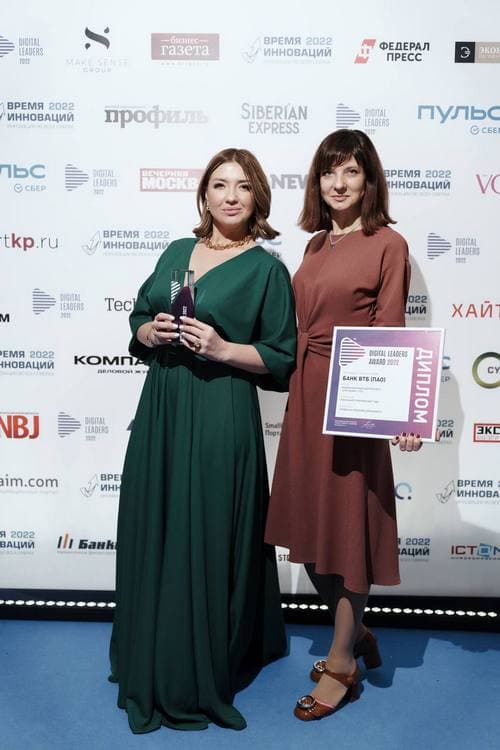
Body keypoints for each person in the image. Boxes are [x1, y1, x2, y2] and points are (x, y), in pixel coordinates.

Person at [109, 148, 296, 733]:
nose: (231, 196)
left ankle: (201, 665)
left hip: (221, 410)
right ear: (205, 195)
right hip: (163, 403)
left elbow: (281, 357)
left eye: (243, 186)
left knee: (209, 530)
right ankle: (151, 649)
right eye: (220, 185)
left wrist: (222, 348)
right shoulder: (174, 251)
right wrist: (151, 329)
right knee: (158, 521)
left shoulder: (266, 270)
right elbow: (138, 318)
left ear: (258, 197)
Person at [265, 129, 422, 721]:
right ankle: (356, 632)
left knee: (348, 530)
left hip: (355, 396)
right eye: (329, 172)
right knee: (309, 528)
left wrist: (399, 410)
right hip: (306, 393)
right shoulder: (313, 245)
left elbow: (391, 328)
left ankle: (342, 662)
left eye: (352, 171)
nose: (339, 183)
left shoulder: (388, 244)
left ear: (369, 180)